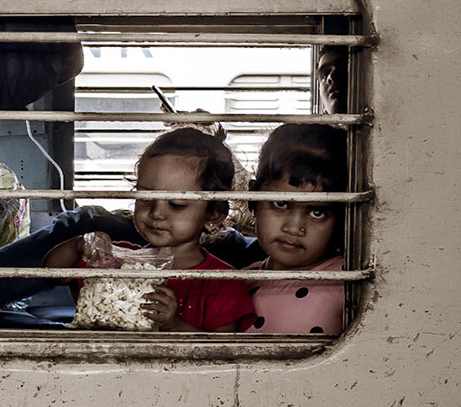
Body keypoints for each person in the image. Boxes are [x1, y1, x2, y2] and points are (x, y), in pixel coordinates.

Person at [42, 127, 255, 332]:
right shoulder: (119, 260)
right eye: (145, 198)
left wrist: (175, 325)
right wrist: (81, 244)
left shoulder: (223, 283)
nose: (156, 213)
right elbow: (51, 272)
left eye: (176, 204)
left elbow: (224, 351)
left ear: (213, 214)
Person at [241, 122, 348, 336]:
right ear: (254, 196)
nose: (294, 227)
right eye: (281, 204)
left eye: (318, 213)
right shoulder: (241, 282)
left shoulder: (347, 283)